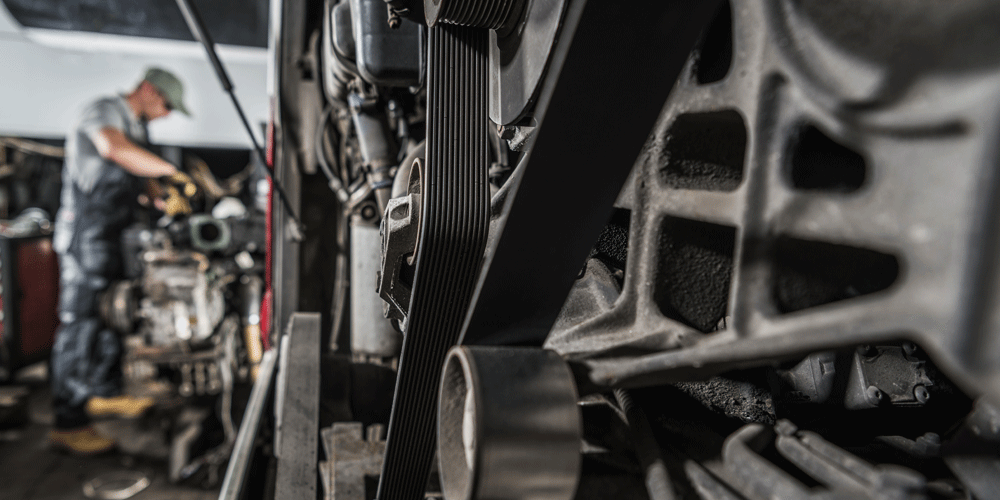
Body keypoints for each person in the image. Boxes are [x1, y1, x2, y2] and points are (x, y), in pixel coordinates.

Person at [48, 67, 192, 455]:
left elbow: (136, 175)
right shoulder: (106, 110)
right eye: (166, 104)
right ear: (147, 89)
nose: (166, 113)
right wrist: (171, 171)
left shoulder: (136, 127)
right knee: (81, 324)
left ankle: (104, 392)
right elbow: (113, 149)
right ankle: (68, 421)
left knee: (112, 318)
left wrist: (160, 195)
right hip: (86, 233)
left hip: (112, 235)